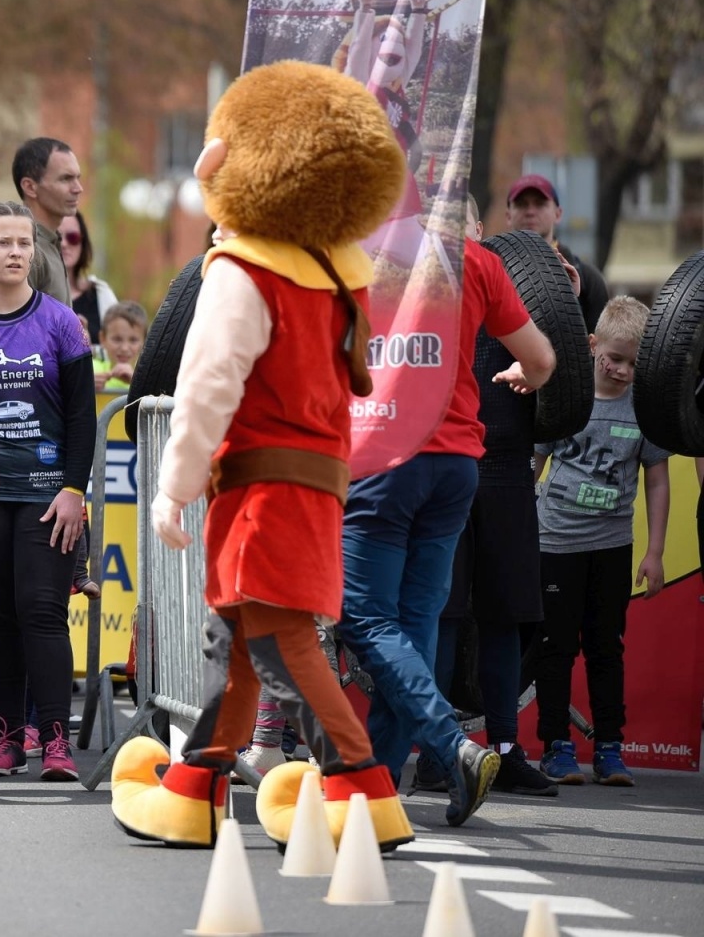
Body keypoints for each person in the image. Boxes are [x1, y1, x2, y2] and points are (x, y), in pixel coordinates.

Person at [110, 61, 416, 852]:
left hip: (261, 487)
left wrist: (173, 484)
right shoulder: (336, 279)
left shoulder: (245, 273)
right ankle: (198, 786)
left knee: (281, 640)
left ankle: (361, 787)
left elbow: (208, 385)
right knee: (233, 638)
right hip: (309, 484)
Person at [337, 210, 557, 826]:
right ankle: (377, 789)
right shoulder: (476, 260)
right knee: (410, 627)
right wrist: (520, 373)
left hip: (383, 462)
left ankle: (451, 746)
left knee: (367, 619)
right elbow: (541, 360)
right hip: (457, 466)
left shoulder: (359, 251)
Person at [0, 201, 96, 781]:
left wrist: (72, 490)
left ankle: (56, 743)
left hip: (46, 493)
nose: (16, 252)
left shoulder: (60, 321)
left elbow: (83, 419)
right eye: (4, 242)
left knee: (42, 612)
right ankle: (5, 738)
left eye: (24, 243)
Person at [429, 206, 559, 797]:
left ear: (480, 230)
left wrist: (564, 301)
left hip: (504, 467)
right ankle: (435, 753)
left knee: (503, 615)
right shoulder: (414, 287)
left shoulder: (507, 282)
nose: (454, 229)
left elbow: (555, 365)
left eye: (464, 220)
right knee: (444, 613)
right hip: (444, 463)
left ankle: (505, 749)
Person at [530, 297, 670, 787]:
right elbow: (535, 460)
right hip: (555, 544)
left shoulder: (644, 410)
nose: (623, 371)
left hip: (612, 546)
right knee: (555, 647)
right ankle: (556, 747)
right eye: (614, 357)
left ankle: (610, 747)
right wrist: (522, 524)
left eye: (633, 363)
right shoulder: (567, 396)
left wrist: (654, 552)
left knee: (606, 647)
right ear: (592, 346)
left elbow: (657, 479)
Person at [504, 174, 608, 331]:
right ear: (508, 216)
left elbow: (601, 347)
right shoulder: (490, 271)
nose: (530, 211)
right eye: (521, 204)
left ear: (558, 214)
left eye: (540, 204)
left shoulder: (588, 279)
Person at [11, 137, 83, 307]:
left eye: (77, 178)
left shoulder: (50, 242)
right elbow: (7, 329)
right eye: (65, 179)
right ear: (30, 187)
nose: (78, 188)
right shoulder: (23, 250)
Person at [60, 212, 119, 344]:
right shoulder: (31, 297)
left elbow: (124, 350)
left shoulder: (102, 294)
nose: (64, 244)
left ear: (83, 242)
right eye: (56, 237)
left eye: (72, 237)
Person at [94, 301, 146, 392]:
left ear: (145, 342)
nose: (124, 348)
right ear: (102, 339)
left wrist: (136, 382)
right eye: (117, 339)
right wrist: (86, 384)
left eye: (133, 340)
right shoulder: (91, 369)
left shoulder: (149, 377)